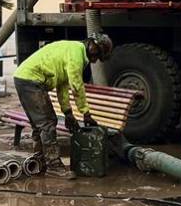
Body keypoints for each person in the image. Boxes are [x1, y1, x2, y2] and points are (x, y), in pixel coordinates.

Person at [12, 34, 114, 176]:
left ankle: (38, 161)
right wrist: (86, 113)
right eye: (97, 54)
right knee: (47, 123)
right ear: (92, 45)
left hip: (24, 79)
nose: (96, 59)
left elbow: (63, 87)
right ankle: (53, 165)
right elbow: (76, 86)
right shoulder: (76, 54)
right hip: (30, 80)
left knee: (39, 124)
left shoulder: (73, 50)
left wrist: (68, 113)